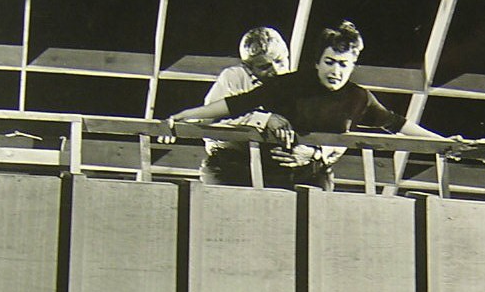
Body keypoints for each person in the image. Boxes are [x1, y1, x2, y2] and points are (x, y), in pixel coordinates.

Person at [160, 21, 468, 190]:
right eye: (329, 62)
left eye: (343, 64)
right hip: (254, 169)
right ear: (317, 63)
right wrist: (184, 115)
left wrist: (441, 142)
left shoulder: (358, 97)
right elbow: (231, 106)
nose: (335, 70)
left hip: (310, 173)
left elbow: (395, 123)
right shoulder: (285, 85)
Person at [196, 26, 291, 186]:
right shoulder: (233, 77)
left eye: (280, 61)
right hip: (227, 160)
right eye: (264, 66)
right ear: (248, 68)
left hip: (270, 164)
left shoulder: (292, 83)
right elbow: (212, 118)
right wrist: (265, 119)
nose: (276, 70)